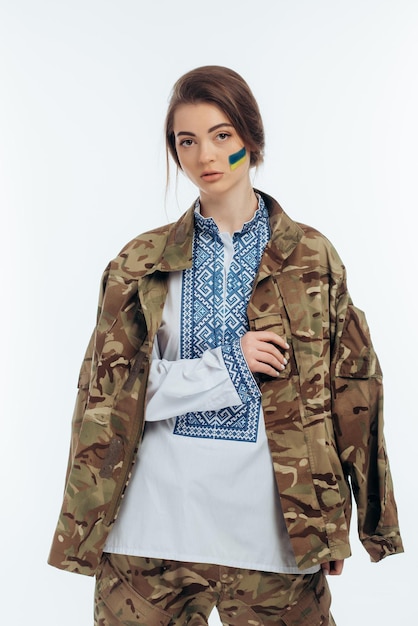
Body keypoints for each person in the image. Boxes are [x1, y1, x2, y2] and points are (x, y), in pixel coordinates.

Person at [48, 66, 403, 626]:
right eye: (185, 141)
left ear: (250, 140)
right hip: (149, 541)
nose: (204, 155)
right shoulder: (140, 263)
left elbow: (354, 387)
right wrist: (226, 368)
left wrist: (355, 522)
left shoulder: (312, 258)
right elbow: (106, 393)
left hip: (275, 538)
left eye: (222, 136)